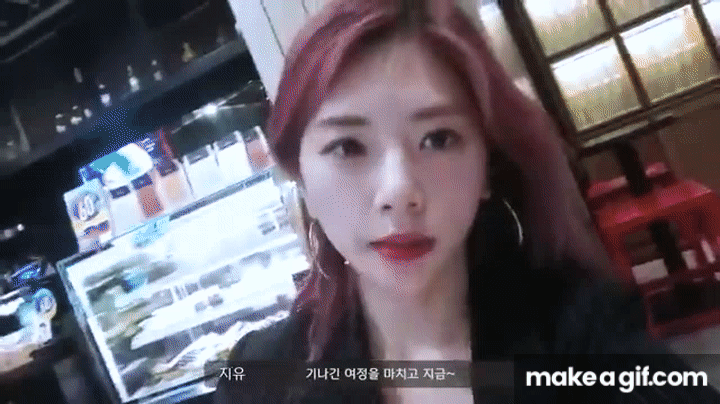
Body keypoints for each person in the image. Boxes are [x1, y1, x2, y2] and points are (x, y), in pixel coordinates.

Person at [214, 0, 720, 403]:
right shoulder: (261, 377)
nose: (399, 192)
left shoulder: (581, 333)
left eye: (438, 139)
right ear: (300, 174)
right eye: (347, 146)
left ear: (486, 165)